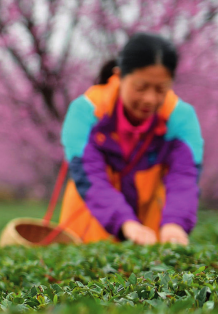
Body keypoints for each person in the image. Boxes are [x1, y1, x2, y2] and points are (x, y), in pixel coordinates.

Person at [59, 33, 203, 245]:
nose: (150, 99)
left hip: (149, 233)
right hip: (88, 226)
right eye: (141, 87)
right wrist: (126, 223)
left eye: (160, 89)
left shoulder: (180, 118)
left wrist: (175, 224)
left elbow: (184, 178)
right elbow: (90, 177)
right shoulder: (86, 111)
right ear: (119, 76)